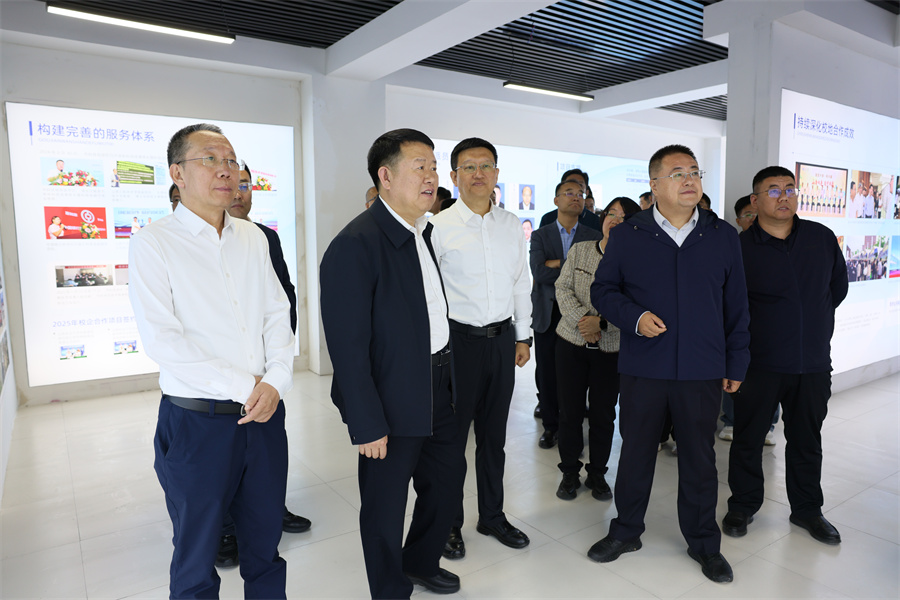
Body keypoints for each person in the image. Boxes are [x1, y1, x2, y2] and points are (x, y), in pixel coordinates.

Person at [129, 123, 294, 598]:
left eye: (231, 160)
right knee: (196, 557)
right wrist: (250, 386)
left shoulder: (253, 237)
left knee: (265, 547)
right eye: (210, 159)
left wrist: (276, 381)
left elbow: (277, 315)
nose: (226, 170)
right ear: (177, 173)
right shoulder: (153, 243)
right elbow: (163, 340)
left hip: (264, 418)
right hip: (198, 424)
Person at [589, 144, 750, 584]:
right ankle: (626, 531)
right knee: (636, 453)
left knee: (699, 458)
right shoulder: (630, 234)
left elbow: (737, 305)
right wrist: (635, 317)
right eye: (678, 173)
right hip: (645, 365)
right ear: (655, 184)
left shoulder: (721, 236)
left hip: (702, 367)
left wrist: (737, 362)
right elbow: (603, 291)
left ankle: (704, 543)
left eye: (694, 171)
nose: (689, 180)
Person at [320, 128, 463, 599]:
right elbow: (347, 348)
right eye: (420, 167)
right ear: (385, 176)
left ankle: (419, 562)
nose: (432, 177)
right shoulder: (355, 244)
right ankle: (389, 588)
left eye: (434, 167)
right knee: (385, 506)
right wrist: (365, 423)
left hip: (438, 386)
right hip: (390, 395)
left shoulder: (423, 231)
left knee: (445, 485)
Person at [723, 166, 848, 545]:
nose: (784, 196)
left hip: (812, 363)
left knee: (807, 440)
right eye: (774, 190)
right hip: (759, 364)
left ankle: (808, 510)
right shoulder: (740, 248)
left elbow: (837, 289)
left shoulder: (820, 238)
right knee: (748, 439)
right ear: (755, 200)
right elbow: (730, 307)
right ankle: (743, 505)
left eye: (790, 189)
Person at [430, 137, 533, 560]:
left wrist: (523, 335)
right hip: (457, 344)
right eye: (469, 167)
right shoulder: (437, 227)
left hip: (502, 342)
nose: (478, 174)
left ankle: (492, 515)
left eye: (486, 166)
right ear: (454, 176)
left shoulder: (510, 224)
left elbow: (521, 282)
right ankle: (449, 524)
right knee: (452, 442)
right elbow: (430, 294)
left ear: (496, 174)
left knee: (494, 439)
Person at [213, 162, 309, 569]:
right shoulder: (193, 242)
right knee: (221, 461)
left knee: (268, 451)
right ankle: (225, 529)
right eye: (232, 183)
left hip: (266, 375)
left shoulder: (265, 237)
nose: (238, 192)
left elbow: (284, 300)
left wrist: (277, 365)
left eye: (246, 185)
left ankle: (271, 509)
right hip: (219, 381)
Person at [554, 196, 639, 501]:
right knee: (570, 412)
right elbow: (562, 288)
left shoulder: (637, 262)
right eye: (611, 213)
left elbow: (635, 306)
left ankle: (598, 473)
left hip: (611, 349)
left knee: (603, 415)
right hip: (571, 342)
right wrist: (583, 321)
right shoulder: (580, 250)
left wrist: (601, 324)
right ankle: (569, 472)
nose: (615, 220)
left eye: (623, 216)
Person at [530, 180, 602, 450]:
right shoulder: (540, 235)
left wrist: (557, 264)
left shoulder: (592, 235)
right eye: (569, 193)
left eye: (580, 194)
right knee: (547, 374)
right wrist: (572, 267)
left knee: (576, 376)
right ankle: (551, 427)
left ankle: (572, 428)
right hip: (548, 314)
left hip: (580, 313)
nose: (576, 197)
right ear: (556, 200)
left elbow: (594, 275)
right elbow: (539, 272)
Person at [719, 194, 779, 445]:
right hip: (735, 324)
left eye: (755, 215)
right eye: (747, 215)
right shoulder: (730, 247)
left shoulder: (777, 247)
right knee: (733, 368)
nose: (752, 219)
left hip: (767, 327)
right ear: (738, 221)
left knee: (771, 375)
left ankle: (769, 424)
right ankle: (731, 420)